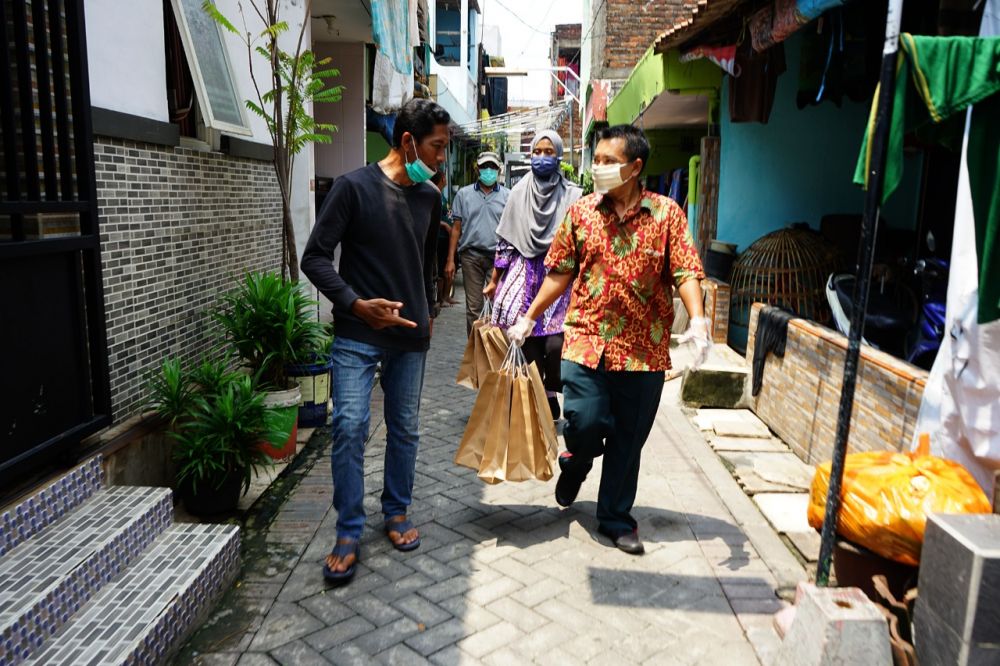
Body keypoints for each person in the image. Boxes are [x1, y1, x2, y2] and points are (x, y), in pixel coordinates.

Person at [507, 125, 712, 556]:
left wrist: (698, 320)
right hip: (585, 342)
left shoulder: (667, 214)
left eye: (607, 161)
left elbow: (685, 271)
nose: (597, 168)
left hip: (643, 350)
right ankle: (576, 460)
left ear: (635, 167)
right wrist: (529, 317)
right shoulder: (581, 213)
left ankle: (616, 518)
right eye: (595, 160)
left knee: (627, 440)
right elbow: (560, 271)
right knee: (584, 422)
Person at [301, 98, 451, 584]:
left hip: (410, 337)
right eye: (437, 147)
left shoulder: (430, 196)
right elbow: (316, 257)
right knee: (348, 425)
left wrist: (428, 308)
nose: (441, 158)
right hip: (357, 332)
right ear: (408, 141)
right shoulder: (352, 188)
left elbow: (426, 260)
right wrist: (355, 304)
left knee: (404, 427)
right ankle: (348, 529)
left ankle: (396, 511)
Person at [484, 130, 582, 420]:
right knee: (524, 340)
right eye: (536, 151)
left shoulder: (573, 195)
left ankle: (550, 390)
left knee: (554, 342)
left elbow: (582, 241)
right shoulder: (517, 192)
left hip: (559, 276)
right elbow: (505, 243)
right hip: (522, 272)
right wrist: (493, 280)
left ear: (560, 155)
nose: (541, 157)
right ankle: (535, 400)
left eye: (548, 152)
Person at [445, 151, 511, 334]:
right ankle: (475, 354)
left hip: (498, 259)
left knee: (497, 308)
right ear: (477, 169)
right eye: (484, 166)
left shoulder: (508, 196)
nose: (488, 170)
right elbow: (456, 229)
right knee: (473, 309)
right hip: (471, 256)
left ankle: (493, 352)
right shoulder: (463, 195)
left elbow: (511, 230)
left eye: (492, 167)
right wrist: (450, 259)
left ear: (498, 169)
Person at [430, 170, 458, 309]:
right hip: (439, 237)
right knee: (441, 268)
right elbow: (431, 217)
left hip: (447, 237)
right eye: (445, 177)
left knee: (448, 268)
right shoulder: (433, 194)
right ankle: (440, 299)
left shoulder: (442, 195)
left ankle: (446, 296)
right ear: (441, 178)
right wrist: (445, 225)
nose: (446, 179)